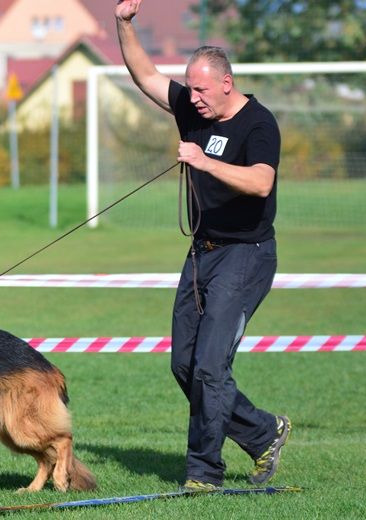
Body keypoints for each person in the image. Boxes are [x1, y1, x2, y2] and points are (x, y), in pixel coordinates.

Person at [114, 0, 291, 492]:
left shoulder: (258, 124)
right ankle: (262, 431)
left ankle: (202, 474)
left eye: (201, 89)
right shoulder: (193, 112)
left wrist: (203, 161)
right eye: (189, 89)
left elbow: (260, 182)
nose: (192, 98)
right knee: (185, 365)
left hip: (247, 254)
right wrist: (123, 24)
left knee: (212, 366)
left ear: (226, 83)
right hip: (201, 253)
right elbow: (145, 74)